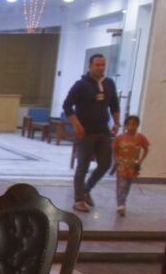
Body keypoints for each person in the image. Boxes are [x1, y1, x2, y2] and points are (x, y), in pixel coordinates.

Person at [63, 53, 121, 212]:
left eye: (103, 65)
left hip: (103, 131)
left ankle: (87, 189)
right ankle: (79, 200)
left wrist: (116, 122)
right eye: (97, 65)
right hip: (86, 133)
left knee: (105, 164)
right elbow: (67, 105)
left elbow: (114, 105)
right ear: (90, 66)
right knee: (83, 165)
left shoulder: (109, 83)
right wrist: (76, 125)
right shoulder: (81, 85)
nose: (101, 68)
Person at [112, 114, 150, 217]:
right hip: (122, 166)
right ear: (125, 126)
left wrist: (140, 161)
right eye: (128, 124)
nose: (131, 126)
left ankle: (123, 201)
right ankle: (121, 204)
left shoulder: (141, 138)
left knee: (127, 186)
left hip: (132, 167)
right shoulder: (120, 138)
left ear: (137, 125)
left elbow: (146, 149)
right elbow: (114, 150)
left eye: (133, 124)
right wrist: (116, 160)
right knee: (121, 185)